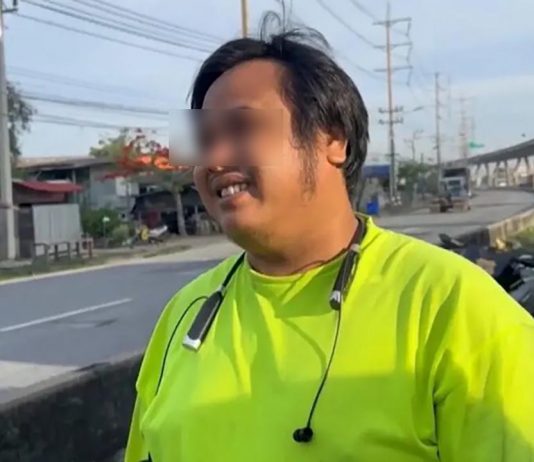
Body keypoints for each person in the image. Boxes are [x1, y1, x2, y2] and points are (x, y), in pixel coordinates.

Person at [125, 18, 534, 462]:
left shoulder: (451, 307)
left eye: (242, 128)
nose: (216, 158)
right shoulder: (182, 316)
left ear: (333, 138)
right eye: (205, 140)